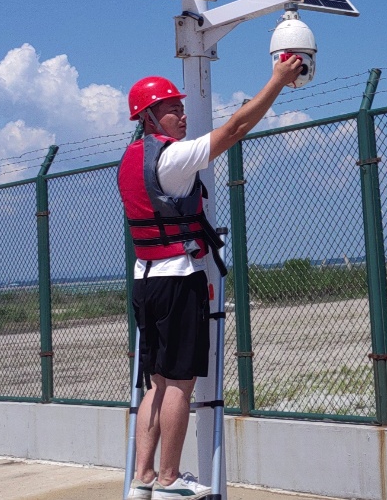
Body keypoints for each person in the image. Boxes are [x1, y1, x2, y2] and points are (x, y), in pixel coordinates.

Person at [120, 55, 304, 500]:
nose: (182, 115)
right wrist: (277, 80)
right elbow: (236, 129)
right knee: (181, 382)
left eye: (181, 107)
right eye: (171, 108)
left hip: (145, 280)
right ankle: (168, 479)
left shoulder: (129, 160)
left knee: (158, 384)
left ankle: (142, 477)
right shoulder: (174, 157)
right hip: (178, 278)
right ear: (148, 117)